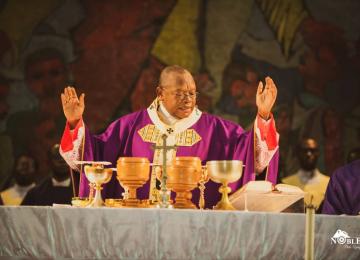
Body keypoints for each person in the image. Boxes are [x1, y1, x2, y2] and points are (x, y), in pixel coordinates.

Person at [60, 65, 279, 208]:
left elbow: (254, 156)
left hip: (198, 229)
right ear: (160, 93)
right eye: (180, 93)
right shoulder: (128, 127)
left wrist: (264, 114)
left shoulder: (218, 131)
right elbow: (92, 157)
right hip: (137, 227)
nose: (188, 99)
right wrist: (73, 123)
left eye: (192, 93)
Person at [282, 138, 329, 210]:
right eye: (305, 151)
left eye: (312, 151)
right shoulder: (286, 184)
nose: (309, 154)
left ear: (318, 153)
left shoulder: (329, 183)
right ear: (298, 154)